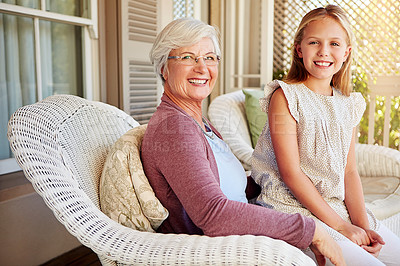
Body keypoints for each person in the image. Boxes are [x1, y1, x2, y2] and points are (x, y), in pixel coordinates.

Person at [141, 17, 345, 266]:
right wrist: (310, 230)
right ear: (164, 68)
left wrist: (279, 183)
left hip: (244, 239)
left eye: (209, 57)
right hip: (221, 253)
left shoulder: (197, 122)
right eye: (187, 57)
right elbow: (213, 215)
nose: (201, 68)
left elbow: (230, 189)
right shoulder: (174, 128)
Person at [250, 5, 400, 266]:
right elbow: (291, 173)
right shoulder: (284, 97)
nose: (323, 52)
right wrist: (342, 227)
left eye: (334, 43)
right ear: (299, 49)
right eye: (314, 42)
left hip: (336, 208)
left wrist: (363, 227)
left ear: (346, 52)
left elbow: (349, 172)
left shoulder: (349, 104)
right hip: (292, 209)